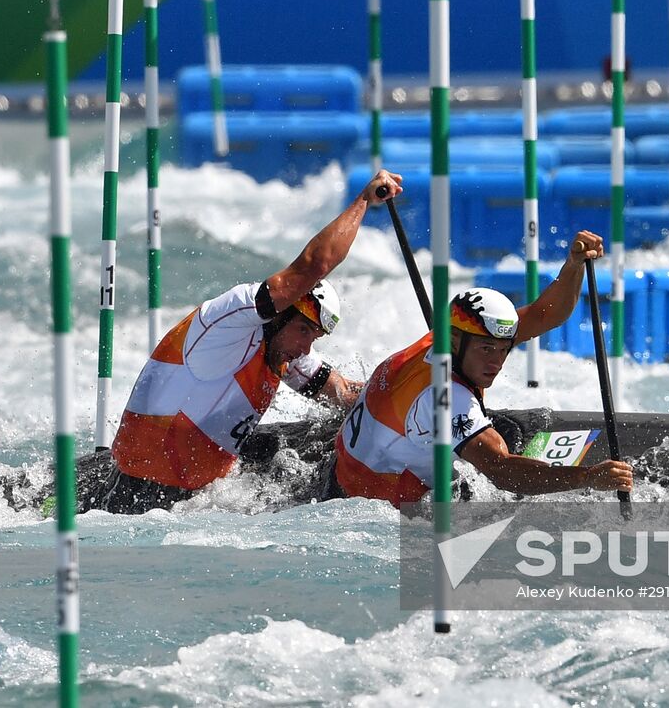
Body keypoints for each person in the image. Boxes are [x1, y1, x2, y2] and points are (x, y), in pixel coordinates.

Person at [93, 167, 404, 514]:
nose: (306, 347)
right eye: (304, 331)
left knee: (334, 431)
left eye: (315, 337)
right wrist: (363, 200)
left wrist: (416, 395)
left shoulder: (284, 352)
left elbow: (345, 394)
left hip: (198, 496)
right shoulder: (233, 322)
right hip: (139, 495)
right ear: (283, 313)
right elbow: (314, 264)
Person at [330, 230, 633, 506]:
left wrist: (574, 265)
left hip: (345, 466)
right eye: (487, 349)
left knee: (498, 433)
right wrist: (588, 477)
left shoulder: (448, 337)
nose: (497, 362)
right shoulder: (445, 397)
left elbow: (543, 315)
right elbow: (502, 472)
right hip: (372, 506)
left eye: (504, 349)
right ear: (457, 340)